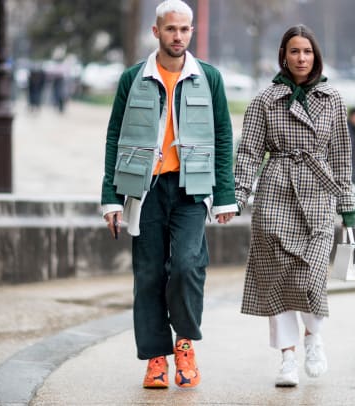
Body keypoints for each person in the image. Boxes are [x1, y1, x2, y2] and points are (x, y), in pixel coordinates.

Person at [100, 0, 237, 389]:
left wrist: (224, 195)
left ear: (191, 32)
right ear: (156, 31)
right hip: (147, 190)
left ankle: (185, 343)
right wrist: (111, 197)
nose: (178, 36)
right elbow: (115, 137)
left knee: (187, 266)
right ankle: (156, 359)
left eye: (185, 29)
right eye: (171, 29)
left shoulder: (208, 77)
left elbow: (223, 136)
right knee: (148, 274)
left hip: (192, 190)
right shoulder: (134, 78)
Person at [234, 24, 355, 388]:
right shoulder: (264, 99)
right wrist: (238, 196)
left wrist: (346, 204)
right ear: (283, 57)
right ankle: (287, 358)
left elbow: (341, 154)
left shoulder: (332, 99)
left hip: (318, 193)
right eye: (294, 51)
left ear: (315, 55)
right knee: (277, 280)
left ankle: (312, 339)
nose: (301, 58)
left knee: (310, 278)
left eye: (307, 51)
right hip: (275, 194)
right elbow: (249, 151)